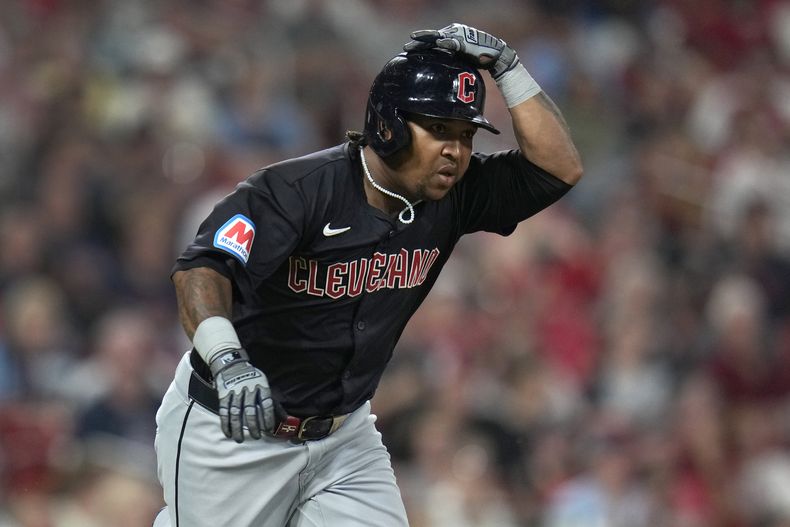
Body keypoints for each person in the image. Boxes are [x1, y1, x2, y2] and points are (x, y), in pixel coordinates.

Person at [153, 22, 583, 527]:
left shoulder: (455, 195)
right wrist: (228, 361)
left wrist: (508, 68)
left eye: (466, 136)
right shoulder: (299, 190)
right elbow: (203, 269)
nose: (457, 150)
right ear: (389, 125)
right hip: (236, 433)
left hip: (344, 437)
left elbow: (559, 169)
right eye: (439, 129)